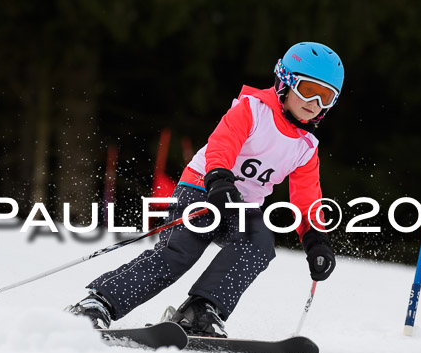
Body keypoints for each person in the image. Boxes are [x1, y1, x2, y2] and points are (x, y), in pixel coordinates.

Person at [67, 42, 343, 337]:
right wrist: (220, 180)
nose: (314, 102)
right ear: (285, 81)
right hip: (202, 188)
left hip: (241, 206)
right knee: (179, 252)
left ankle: (201, 310)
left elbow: (307, 199)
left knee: (259, 243)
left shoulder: (306, 147)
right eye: (308, 89)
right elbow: (223, 144)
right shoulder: (252, 109)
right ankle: (99, 303)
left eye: (326, 96)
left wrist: (316, 241)